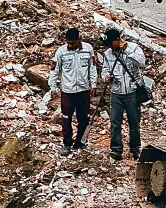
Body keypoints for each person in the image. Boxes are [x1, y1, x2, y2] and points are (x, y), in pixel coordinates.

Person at [49, 27, 99, 154]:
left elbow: (92, 67)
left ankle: (80, 142)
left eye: (73, 43)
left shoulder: (88, 49)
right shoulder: (61, 52)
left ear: (79, 40)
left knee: (83, 118)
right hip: (68, 90)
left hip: (83, 90)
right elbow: (55, 70)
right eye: (68, 43)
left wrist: (93, 84)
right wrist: (53, 86)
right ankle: (67, 143)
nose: (70, 45)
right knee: (66, 118)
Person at [103, 27, 147, 160]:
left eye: (111, 43)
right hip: (116, 92)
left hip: (132, 92)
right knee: (115, 122)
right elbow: (104, 70)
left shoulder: (133, 48)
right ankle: (116, 150)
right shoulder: (108, 54)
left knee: (134, 122)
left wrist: (126, 50)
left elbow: (141, 63)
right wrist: (106, 77)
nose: (110, 47)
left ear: (117, 40)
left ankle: (135, 148)